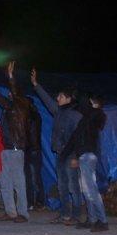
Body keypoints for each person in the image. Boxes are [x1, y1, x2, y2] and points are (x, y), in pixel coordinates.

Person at [31, 68, 84, 225]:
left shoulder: (76, 115)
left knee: (73, 187)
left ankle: (76, 216)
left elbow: (80, 138)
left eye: (60, 96)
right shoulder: (58, 111)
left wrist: (77, 157)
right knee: (62, 186)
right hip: (60, 154)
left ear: (68, 99)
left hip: (72, 155)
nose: (57, 98)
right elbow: (47, 100)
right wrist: (35, 84)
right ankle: (65, 215)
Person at [0, 62, 30, 223]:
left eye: (12, 93)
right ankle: (10, 212)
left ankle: (23, 213)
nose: (9, 95)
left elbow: (4, 93)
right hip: (6, 149)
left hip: (16, 149)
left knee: (18, 183)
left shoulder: (20, 107)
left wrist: (10, 76)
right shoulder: (8, 108)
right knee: (5, 182)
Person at [61, 94, 109, 232]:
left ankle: (102, 221)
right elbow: (75, 138)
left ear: (95, 104)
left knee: (91, 189)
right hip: (83, 156)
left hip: (88, 156)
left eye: (90, 102)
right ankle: (92, 219)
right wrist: (65, 155)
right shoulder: (85, 120)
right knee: (86, 189)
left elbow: (89, 109)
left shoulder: (96, 115)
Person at [25, 97, 46, 209]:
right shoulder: (35, 116)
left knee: (33, 177)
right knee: (31, 177)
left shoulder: (32, 117)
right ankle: (34, 201)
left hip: (32, 150)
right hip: (31, 149)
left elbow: (31, 135)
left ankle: (37, 201)